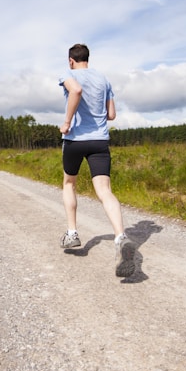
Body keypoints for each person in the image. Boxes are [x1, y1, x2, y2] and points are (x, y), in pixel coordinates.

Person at [58, 43, 136, 277]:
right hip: (100, 141)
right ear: (87, 59)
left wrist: (67, 122)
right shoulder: (104, 79)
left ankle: (72, 233)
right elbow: (111, 114)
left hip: (75, 140)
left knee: (69, 183)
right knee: (104, 190)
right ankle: (121, 237)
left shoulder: (68, 74)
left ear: (71, 60)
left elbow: (76, 91)